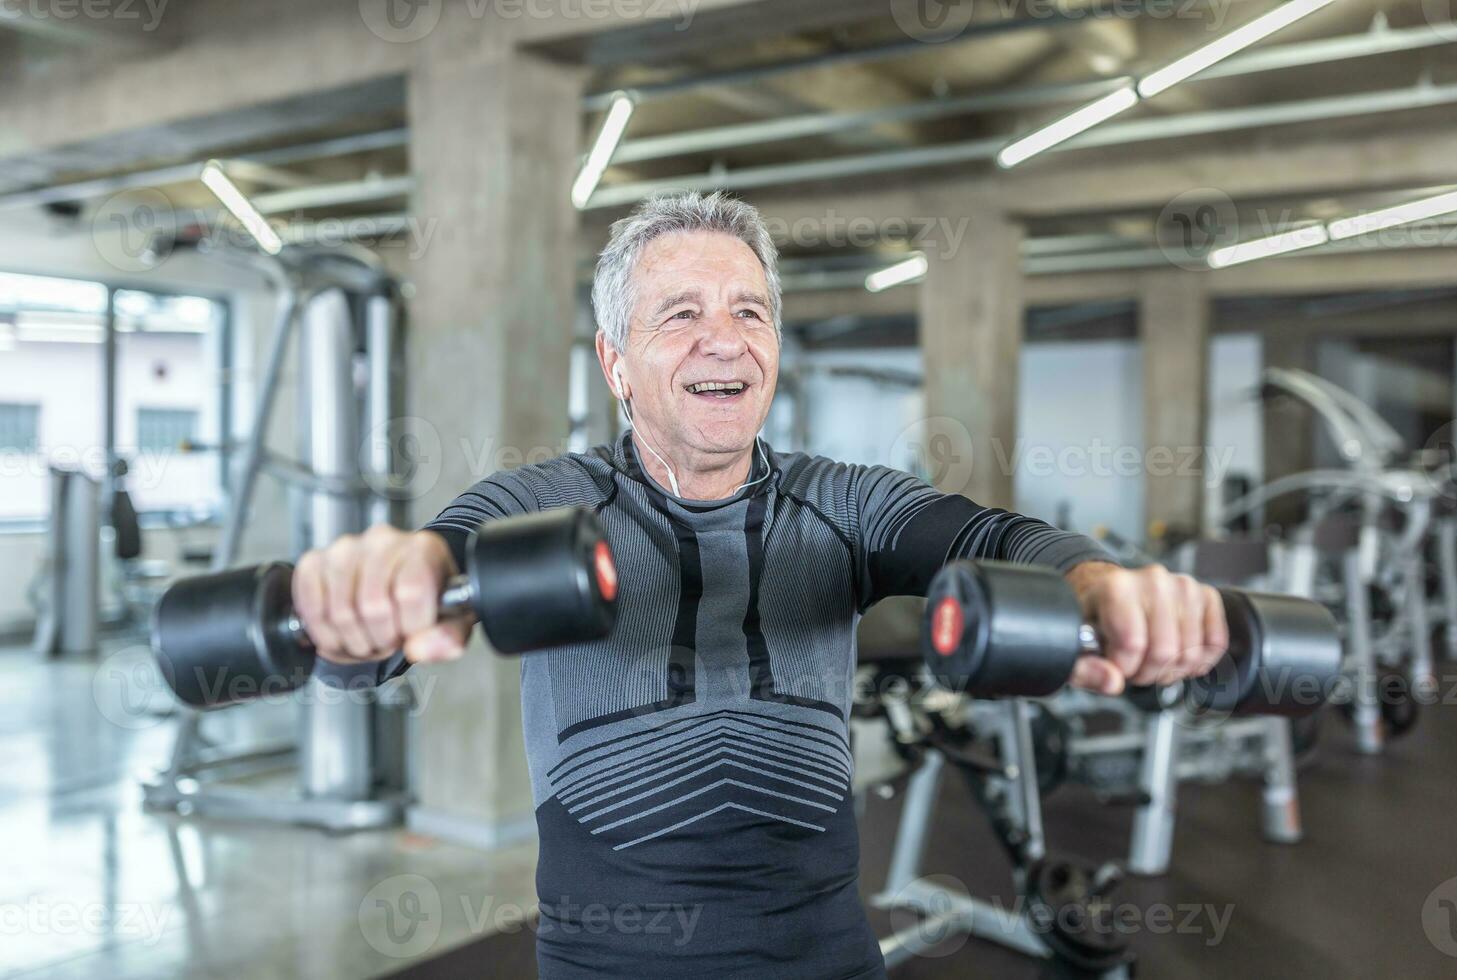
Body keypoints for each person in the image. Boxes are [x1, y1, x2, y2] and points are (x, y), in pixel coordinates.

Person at [293, 191, 1229, 978]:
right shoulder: (544, 505)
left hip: (827, 954)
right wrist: (367, 598)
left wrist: (1102, 584)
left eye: (750, 312)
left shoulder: (844, 505)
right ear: (616, 363)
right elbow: (417, 585)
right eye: (682, 314)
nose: (725, 342)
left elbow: (992, 536)